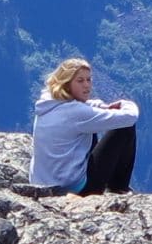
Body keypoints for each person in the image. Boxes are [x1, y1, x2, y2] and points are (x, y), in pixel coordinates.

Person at [29, 57, 140, 194]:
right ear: (67, 84)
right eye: (80, 81)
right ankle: (118, 188)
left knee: (92, 125)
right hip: (75, 189)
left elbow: (83, 109)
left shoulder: (48, 105)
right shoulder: (76, 113)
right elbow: (130, 117)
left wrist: (102, 106)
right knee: (125, 127)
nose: (87, 85)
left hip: (44, 186)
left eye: (89, 79)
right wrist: (126, 104)